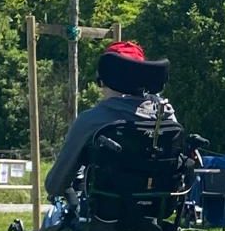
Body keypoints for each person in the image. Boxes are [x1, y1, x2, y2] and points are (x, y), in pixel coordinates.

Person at [45, 41, 178, 202]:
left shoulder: (92, 120)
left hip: (103, 219)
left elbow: (55, 185)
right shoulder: (167, 117)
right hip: (156, 215)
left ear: (104, 79)